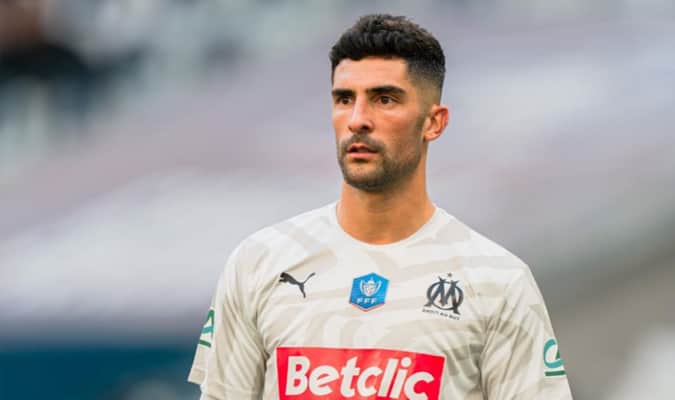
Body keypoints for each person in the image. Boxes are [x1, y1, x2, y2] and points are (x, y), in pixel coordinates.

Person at [188, 14, 573, 400]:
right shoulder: (259, 262)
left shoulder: (496, 280)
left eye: (384, 99)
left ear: (434, 122)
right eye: (344, 99)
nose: (357, 120)